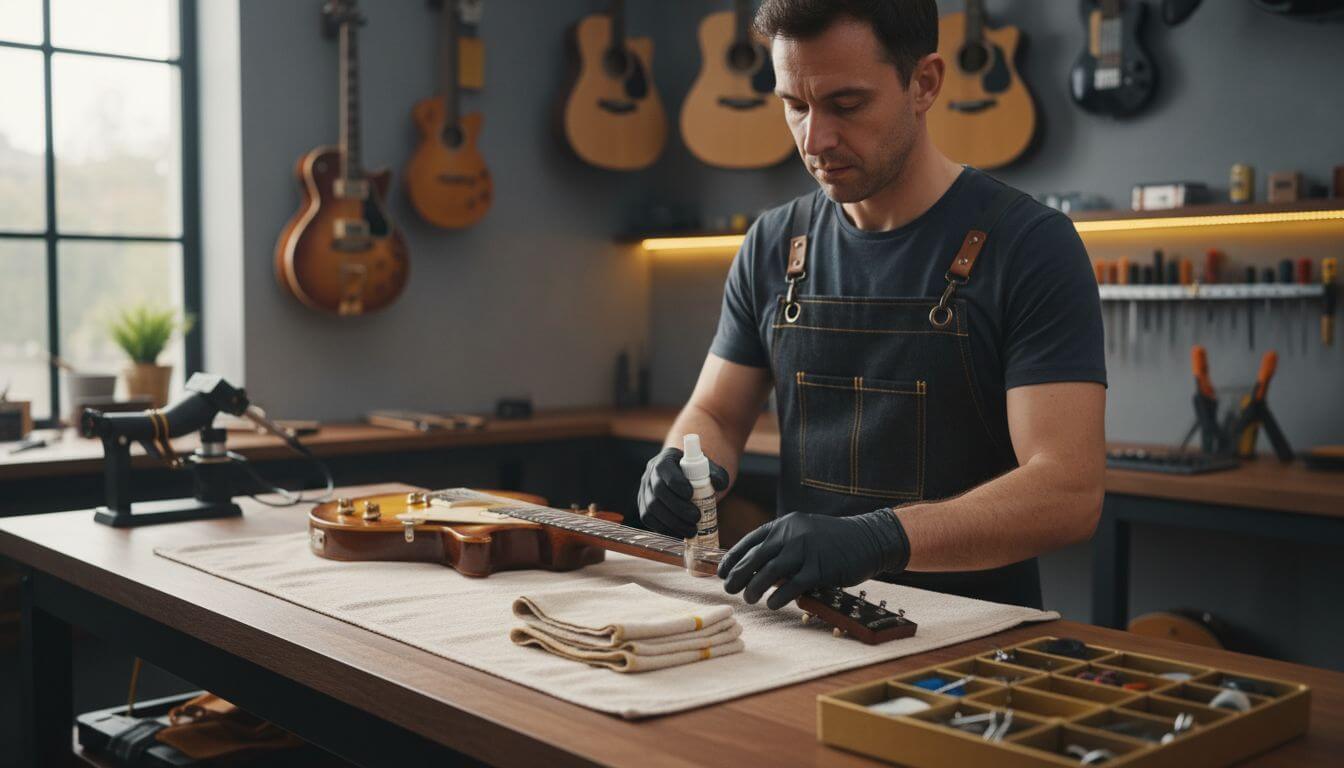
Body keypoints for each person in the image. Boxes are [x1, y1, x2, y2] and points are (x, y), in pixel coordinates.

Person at [637, 0, 1106, 610]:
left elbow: (1067, 491)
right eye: (794, 105)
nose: (816, 139)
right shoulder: (776, 244)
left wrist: (881, 538)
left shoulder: (1029, 245)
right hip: (802, 626)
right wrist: (682, 461)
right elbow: (718, 417)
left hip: (968, 642)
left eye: (847, 105)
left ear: (925, 83)